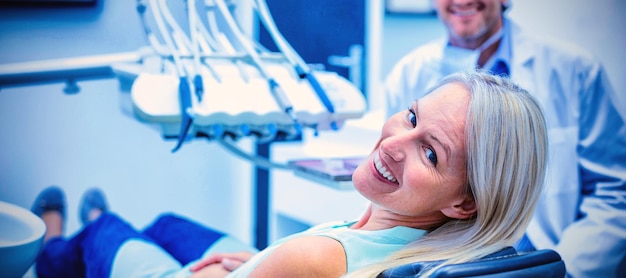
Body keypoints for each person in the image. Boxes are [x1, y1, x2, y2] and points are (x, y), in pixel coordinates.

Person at [31, 71, 549, 277]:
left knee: (105, 233)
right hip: (270, 263)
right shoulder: (438, 244)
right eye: (411, 117)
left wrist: (258, 268)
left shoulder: (314, 259)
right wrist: (260, 263)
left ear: (464, 202)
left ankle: (57, 239)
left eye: (430, 153)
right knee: (167, 224)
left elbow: (314, 260)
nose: (392, 143)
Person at [384, 1, 626, 277]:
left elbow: (615, 190)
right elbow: (394, 189)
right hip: (441, 264)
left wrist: (566, 269)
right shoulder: (407, 74)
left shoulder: (575, 71)